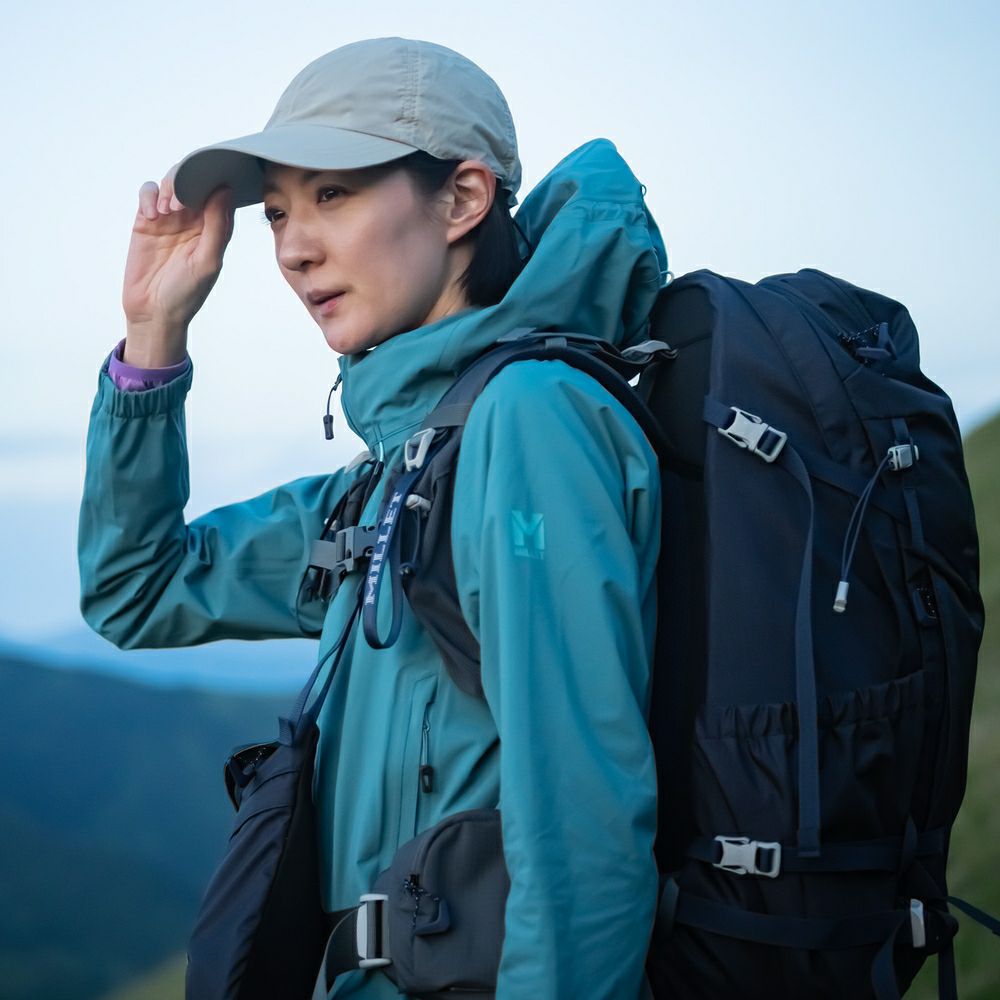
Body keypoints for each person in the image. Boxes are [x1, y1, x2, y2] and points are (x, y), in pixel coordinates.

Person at [78, 37, 668, 999]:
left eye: (333, 194)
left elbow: (584, 827)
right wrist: (153, 333)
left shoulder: (531, 422)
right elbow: (135, 589)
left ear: (463, 199)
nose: (293, 248)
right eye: (278, 212)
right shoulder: (398, 475)